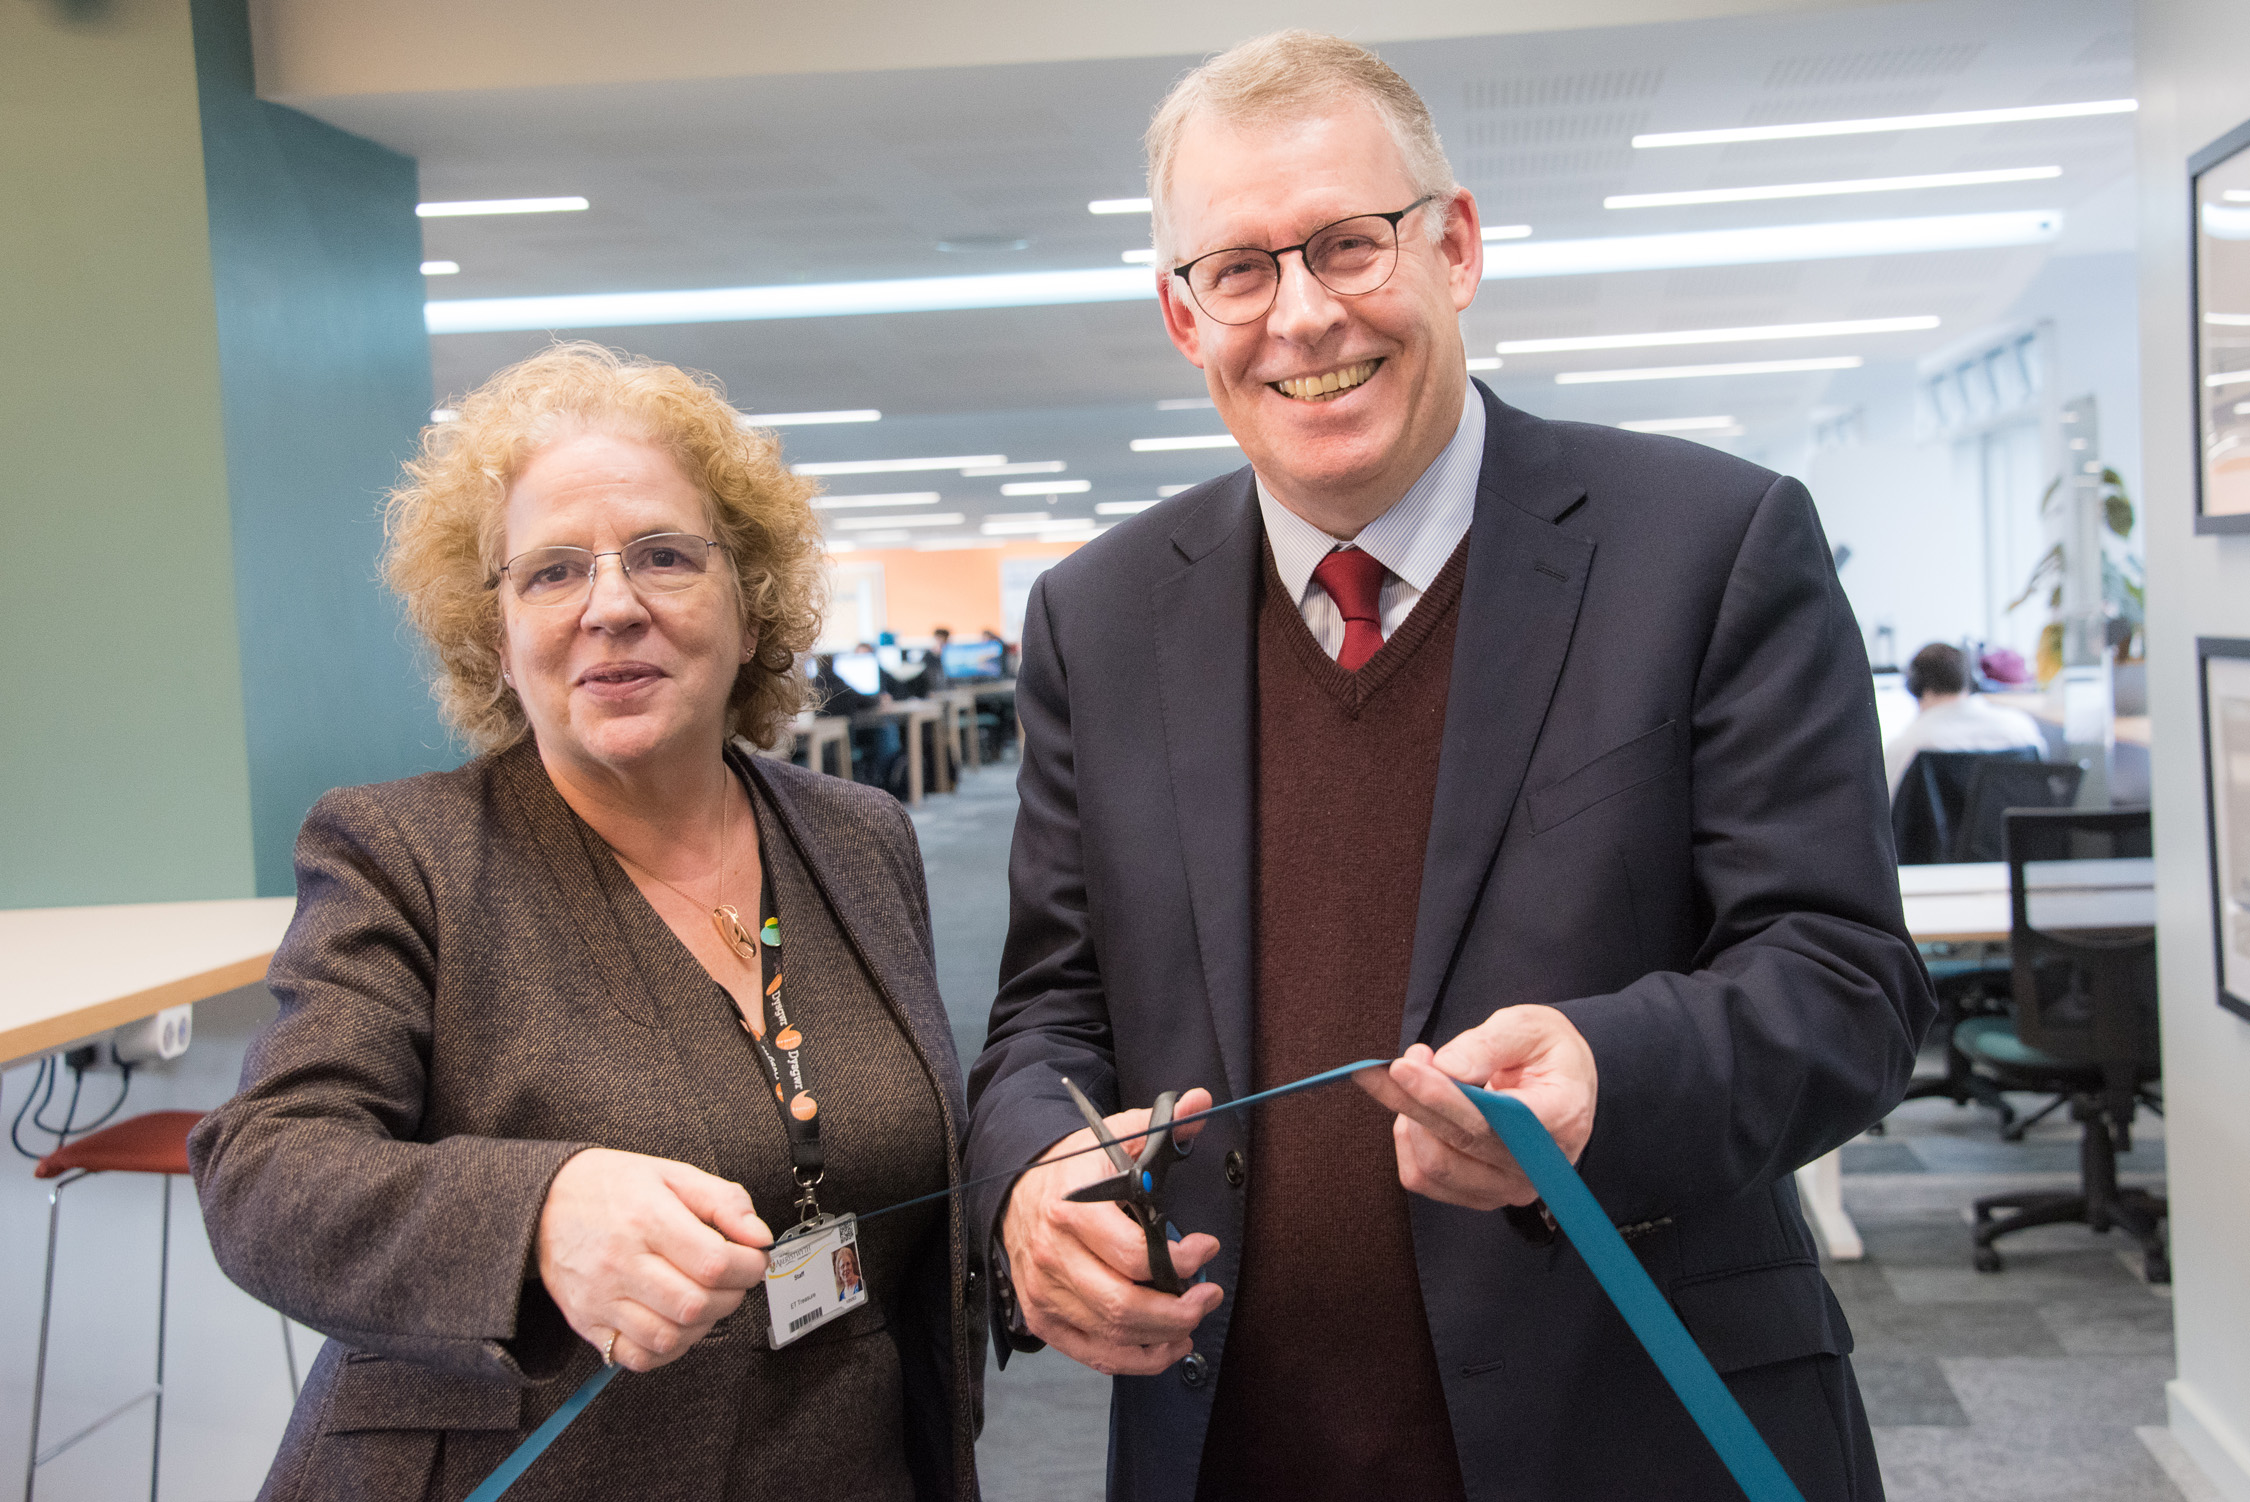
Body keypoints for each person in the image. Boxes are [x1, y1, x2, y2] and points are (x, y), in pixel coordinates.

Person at [963, 31, 1931, 1502]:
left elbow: (1843, 981)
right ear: (1180, 315)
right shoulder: (1096, 616)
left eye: (1348, 245)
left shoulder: (1706, 546)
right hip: (1235, 1446)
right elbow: (1051, 1005)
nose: (1300, 316)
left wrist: (1609, 1073)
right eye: (1237, 270)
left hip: (1632, 1428)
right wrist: (1031, 1176)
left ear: (1455, 246)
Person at [189, 344, 980, 1502]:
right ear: (495, 634)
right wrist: (537, 1212)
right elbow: (264, 1170)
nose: (612, 606)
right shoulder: (405, 855)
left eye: (663, 555)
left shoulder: (857, 837)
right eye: (552, 572)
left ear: (750, 606)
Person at [1884, 641, 2047, 794]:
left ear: (1916, 687)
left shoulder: (1909, 745)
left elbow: (1885, 810)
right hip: (2006, 824)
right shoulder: (2022, 729)